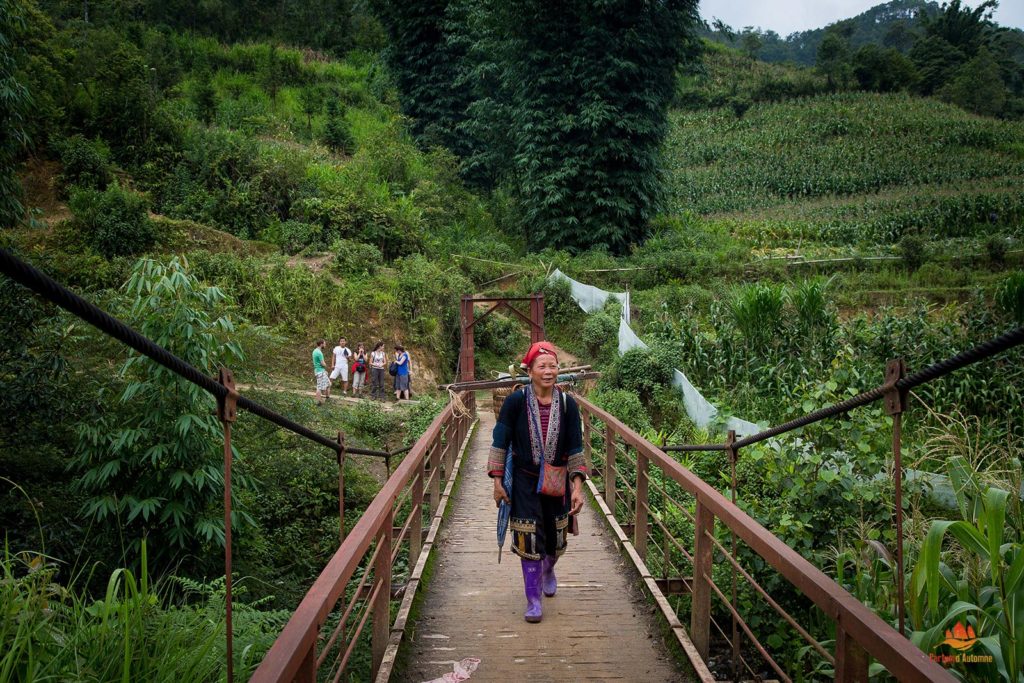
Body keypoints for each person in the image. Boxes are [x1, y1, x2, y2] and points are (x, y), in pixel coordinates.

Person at [488, 341, 586, 623]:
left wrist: (577, 487)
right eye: (541, 366)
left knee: (556, 538)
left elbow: (576, 448)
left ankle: (548, 568)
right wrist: (497, 481)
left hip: (556, 480)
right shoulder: (515, 402)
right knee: (527, 536)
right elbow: (500, 441)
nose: (548, 371)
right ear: (529, 371)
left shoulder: (568, 404)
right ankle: (533, 600)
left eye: (552, 366)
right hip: (523, 480)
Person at [312, 339, 329, 405]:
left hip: (319, 370)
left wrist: (324, 370)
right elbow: (322, 363)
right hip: (320, 371)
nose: (325, 345)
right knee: (319, 387)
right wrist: (326, 365)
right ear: (321, 344)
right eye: (324, 344)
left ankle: (328, 398)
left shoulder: (315, 351)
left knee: (329, 384)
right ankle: (318, 402)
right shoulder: (319, 353)